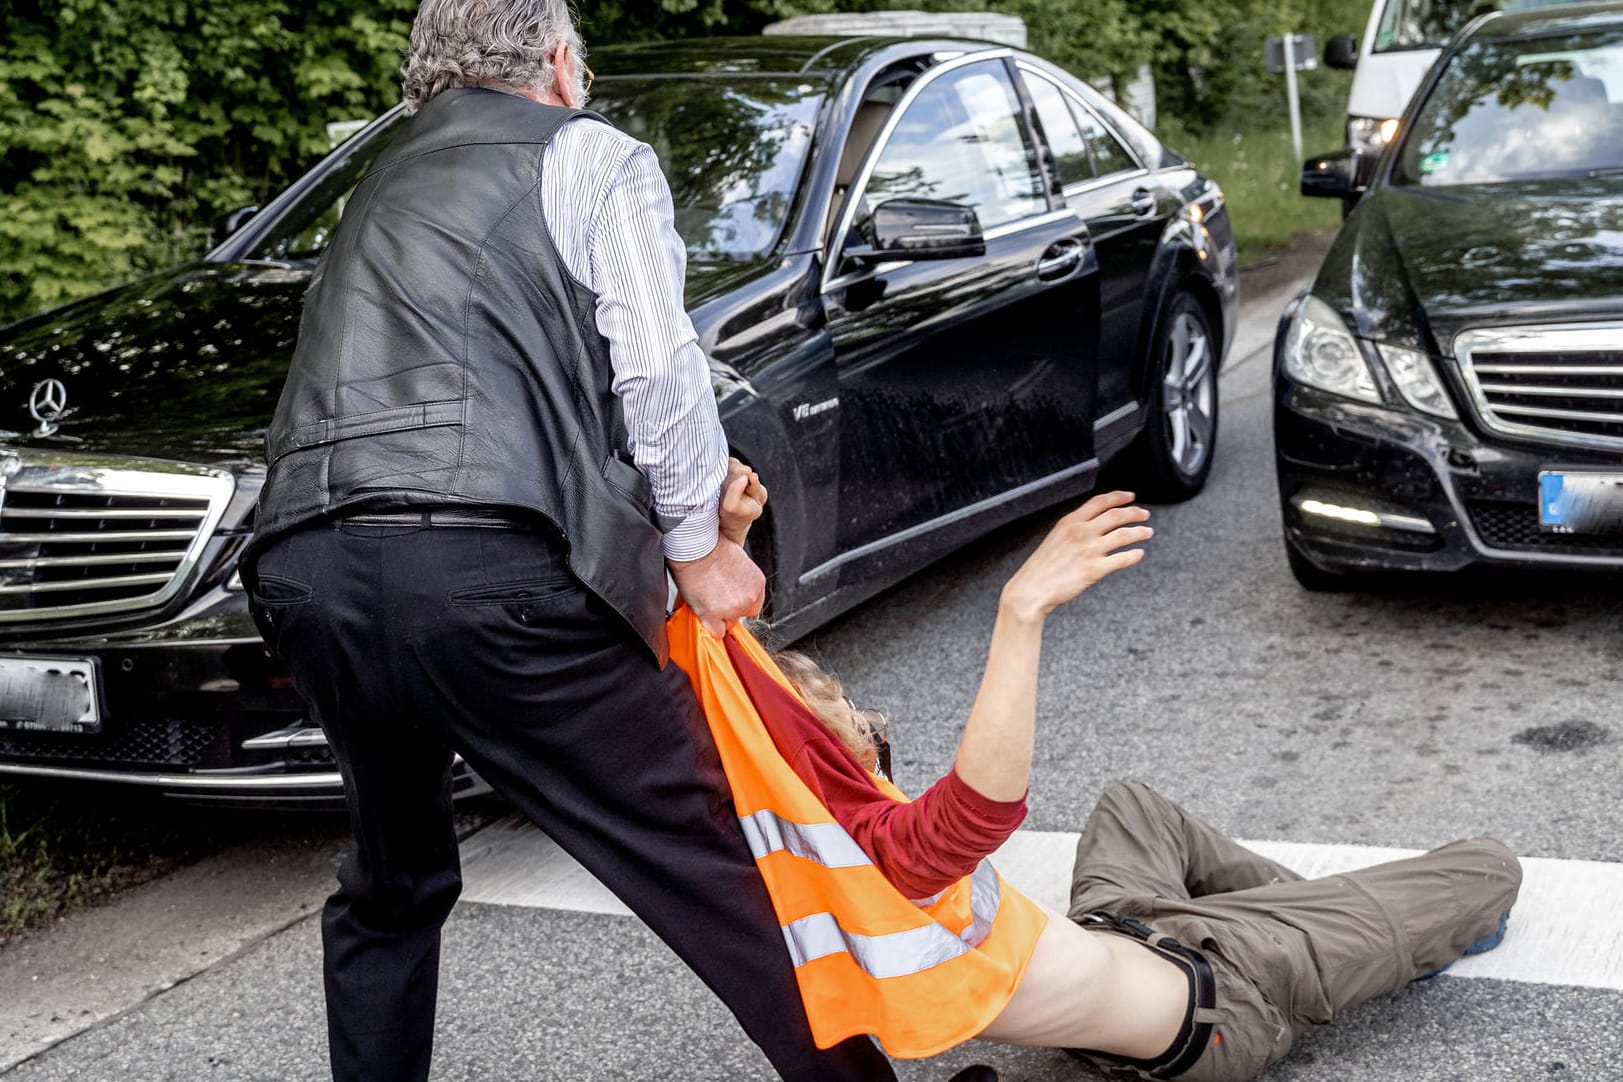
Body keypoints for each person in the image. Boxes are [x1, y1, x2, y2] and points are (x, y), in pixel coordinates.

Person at [240, 2, 903, 1079]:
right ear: (557, 61)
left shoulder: (379, 175)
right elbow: (657, 369)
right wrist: (699, 548)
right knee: (710, 854)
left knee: (392, 883)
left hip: (310, 567)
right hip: (485, 567)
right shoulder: (590, 155)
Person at [708, 476, 1522, 1081]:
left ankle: (1333, 920)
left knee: (1131, 805)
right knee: (1487, 866)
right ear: (825, 752)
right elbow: (971, 813)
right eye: (840, 710)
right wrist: (1020, 610)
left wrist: (728, 558)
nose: (855, 711)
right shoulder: (883, 864)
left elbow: (740, 700)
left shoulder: (810, 861)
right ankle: (1351, 933)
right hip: (1230, 992)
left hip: (1123, 927)